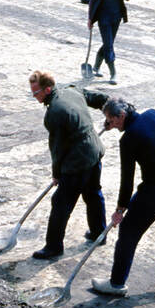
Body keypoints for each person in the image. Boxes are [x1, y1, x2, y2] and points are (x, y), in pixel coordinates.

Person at [91, 98, 155, 296]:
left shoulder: (128, 139)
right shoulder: (153, 114)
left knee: (128, 233)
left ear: (121, 116)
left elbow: (127, 180)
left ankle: (116, 284)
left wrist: (120, 209)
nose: (110, 125)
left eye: (111, 120)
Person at [28, 70, 109, 260]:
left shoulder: (54, 112)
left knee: (61, 202)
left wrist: (57, 174)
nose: (34, 97)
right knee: (93, 192)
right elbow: (100, 98)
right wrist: (109, 112)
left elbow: (58, 149)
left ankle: (53, 247)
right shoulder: (71, 90)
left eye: (35, 93)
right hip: (95, 150)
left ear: (47, 89)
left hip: (78, 161)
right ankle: (99, 233)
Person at [88, 0, 131, 85]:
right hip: (103, 17)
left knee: (109, 43)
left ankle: (96, 67)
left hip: (116, 17)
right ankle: (113, 74)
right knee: (108, 44)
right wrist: (90, 19)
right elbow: (92, 0)